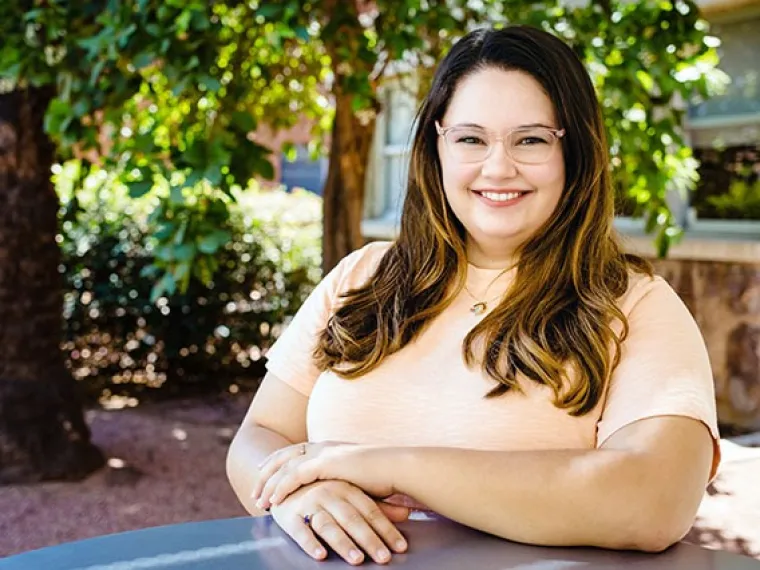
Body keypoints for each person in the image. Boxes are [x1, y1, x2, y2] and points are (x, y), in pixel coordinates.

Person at [226, 24, 720, 566]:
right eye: (470, 138)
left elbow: (652, 501)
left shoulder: (636, 305)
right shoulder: (361, 277)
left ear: (575, 151)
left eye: (531, 139)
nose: (498, 167)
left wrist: (389, 466)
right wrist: (299, 491)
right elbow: (260, 436)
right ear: (436, 147)